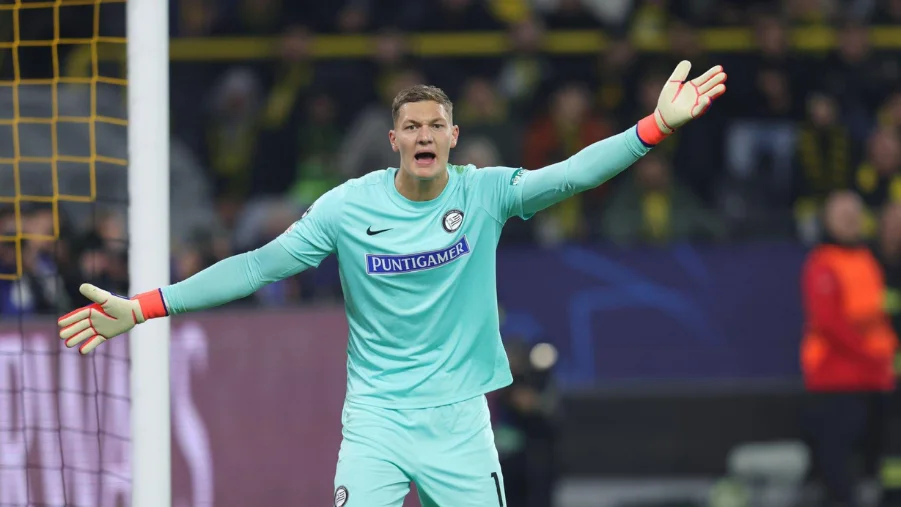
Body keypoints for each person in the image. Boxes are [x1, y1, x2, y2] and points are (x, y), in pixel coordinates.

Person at [57, 61, 726, 506]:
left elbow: (572, 174)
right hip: (376, 421)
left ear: (454, 137)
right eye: (412, 127)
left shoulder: (484, 192)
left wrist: (654, 127)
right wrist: (143, 305)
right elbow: (257, 265)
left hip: (460, 421)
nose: (424, 134)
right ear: (394, 140)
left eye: (436, 125)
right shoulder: (348, 209)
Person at [801, 190, 898, 507]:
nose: (850, 220)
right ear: (827, 221)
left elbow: (877, 313)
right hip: (837, 378)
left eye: (854, 214)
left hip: (874, 378)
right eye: (842, 215)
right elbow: (831, 325)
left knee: (875, 456)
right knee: (836, 461)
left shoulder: (869, 259)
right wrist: (871, 355)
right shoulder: (823, 262)